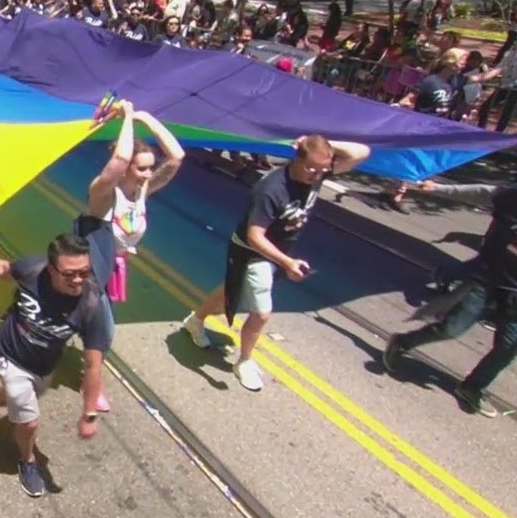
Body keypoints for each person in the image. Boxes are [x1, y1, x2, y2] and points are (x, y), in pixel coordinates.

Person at [182, 135, 371, 390]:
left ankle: (196, 320)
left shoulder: (318, 171)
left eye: (322, 170)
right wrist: (287, 262)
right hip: (253, 251)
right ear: (297, 159)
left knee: (232, 286)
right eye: (310, 169)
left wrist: (325, 145)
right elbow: (254, 236)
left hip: (278, 250)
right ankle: (245, 361)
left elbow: (362, 152)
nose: (315, 176)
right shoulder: (271, 189)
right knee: (261, 313)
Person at [0, 233, 112, 498]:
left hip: (43, 366)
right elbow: (3, 268)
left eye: (84, 272)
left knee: (22, 396)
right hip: (9, 353)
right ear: (51, 268)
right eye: (69, 273)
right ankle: (27, 462)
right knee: (28, 420)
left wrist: (89, 414)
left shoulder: (91, 306)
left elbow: (94, 365)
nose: (77, 280)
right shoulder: (33, 270)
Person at [74, 101, 185, 411]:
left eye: (150, 167)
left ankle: (81, 365)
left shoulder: (142, 191)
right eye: (142, 168)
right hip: (89, 271)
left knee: (90, 326)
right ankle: (92, 385)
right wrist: (128, 116)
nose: (148, 174)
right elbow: (121, 157)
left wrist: (148, 120)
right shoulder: (104, 193)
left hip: (112, 269)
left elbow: (176, 158)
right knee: (104, 331)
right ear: (125, 170)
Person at [383, 181, 515, 418]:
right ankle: (403, 342)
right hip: (486, 283)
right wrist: (437, 189)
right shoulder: (509, 197)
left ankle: (472, 387)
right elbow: (479, 192)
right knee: (450, 330)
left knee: (508, 347)